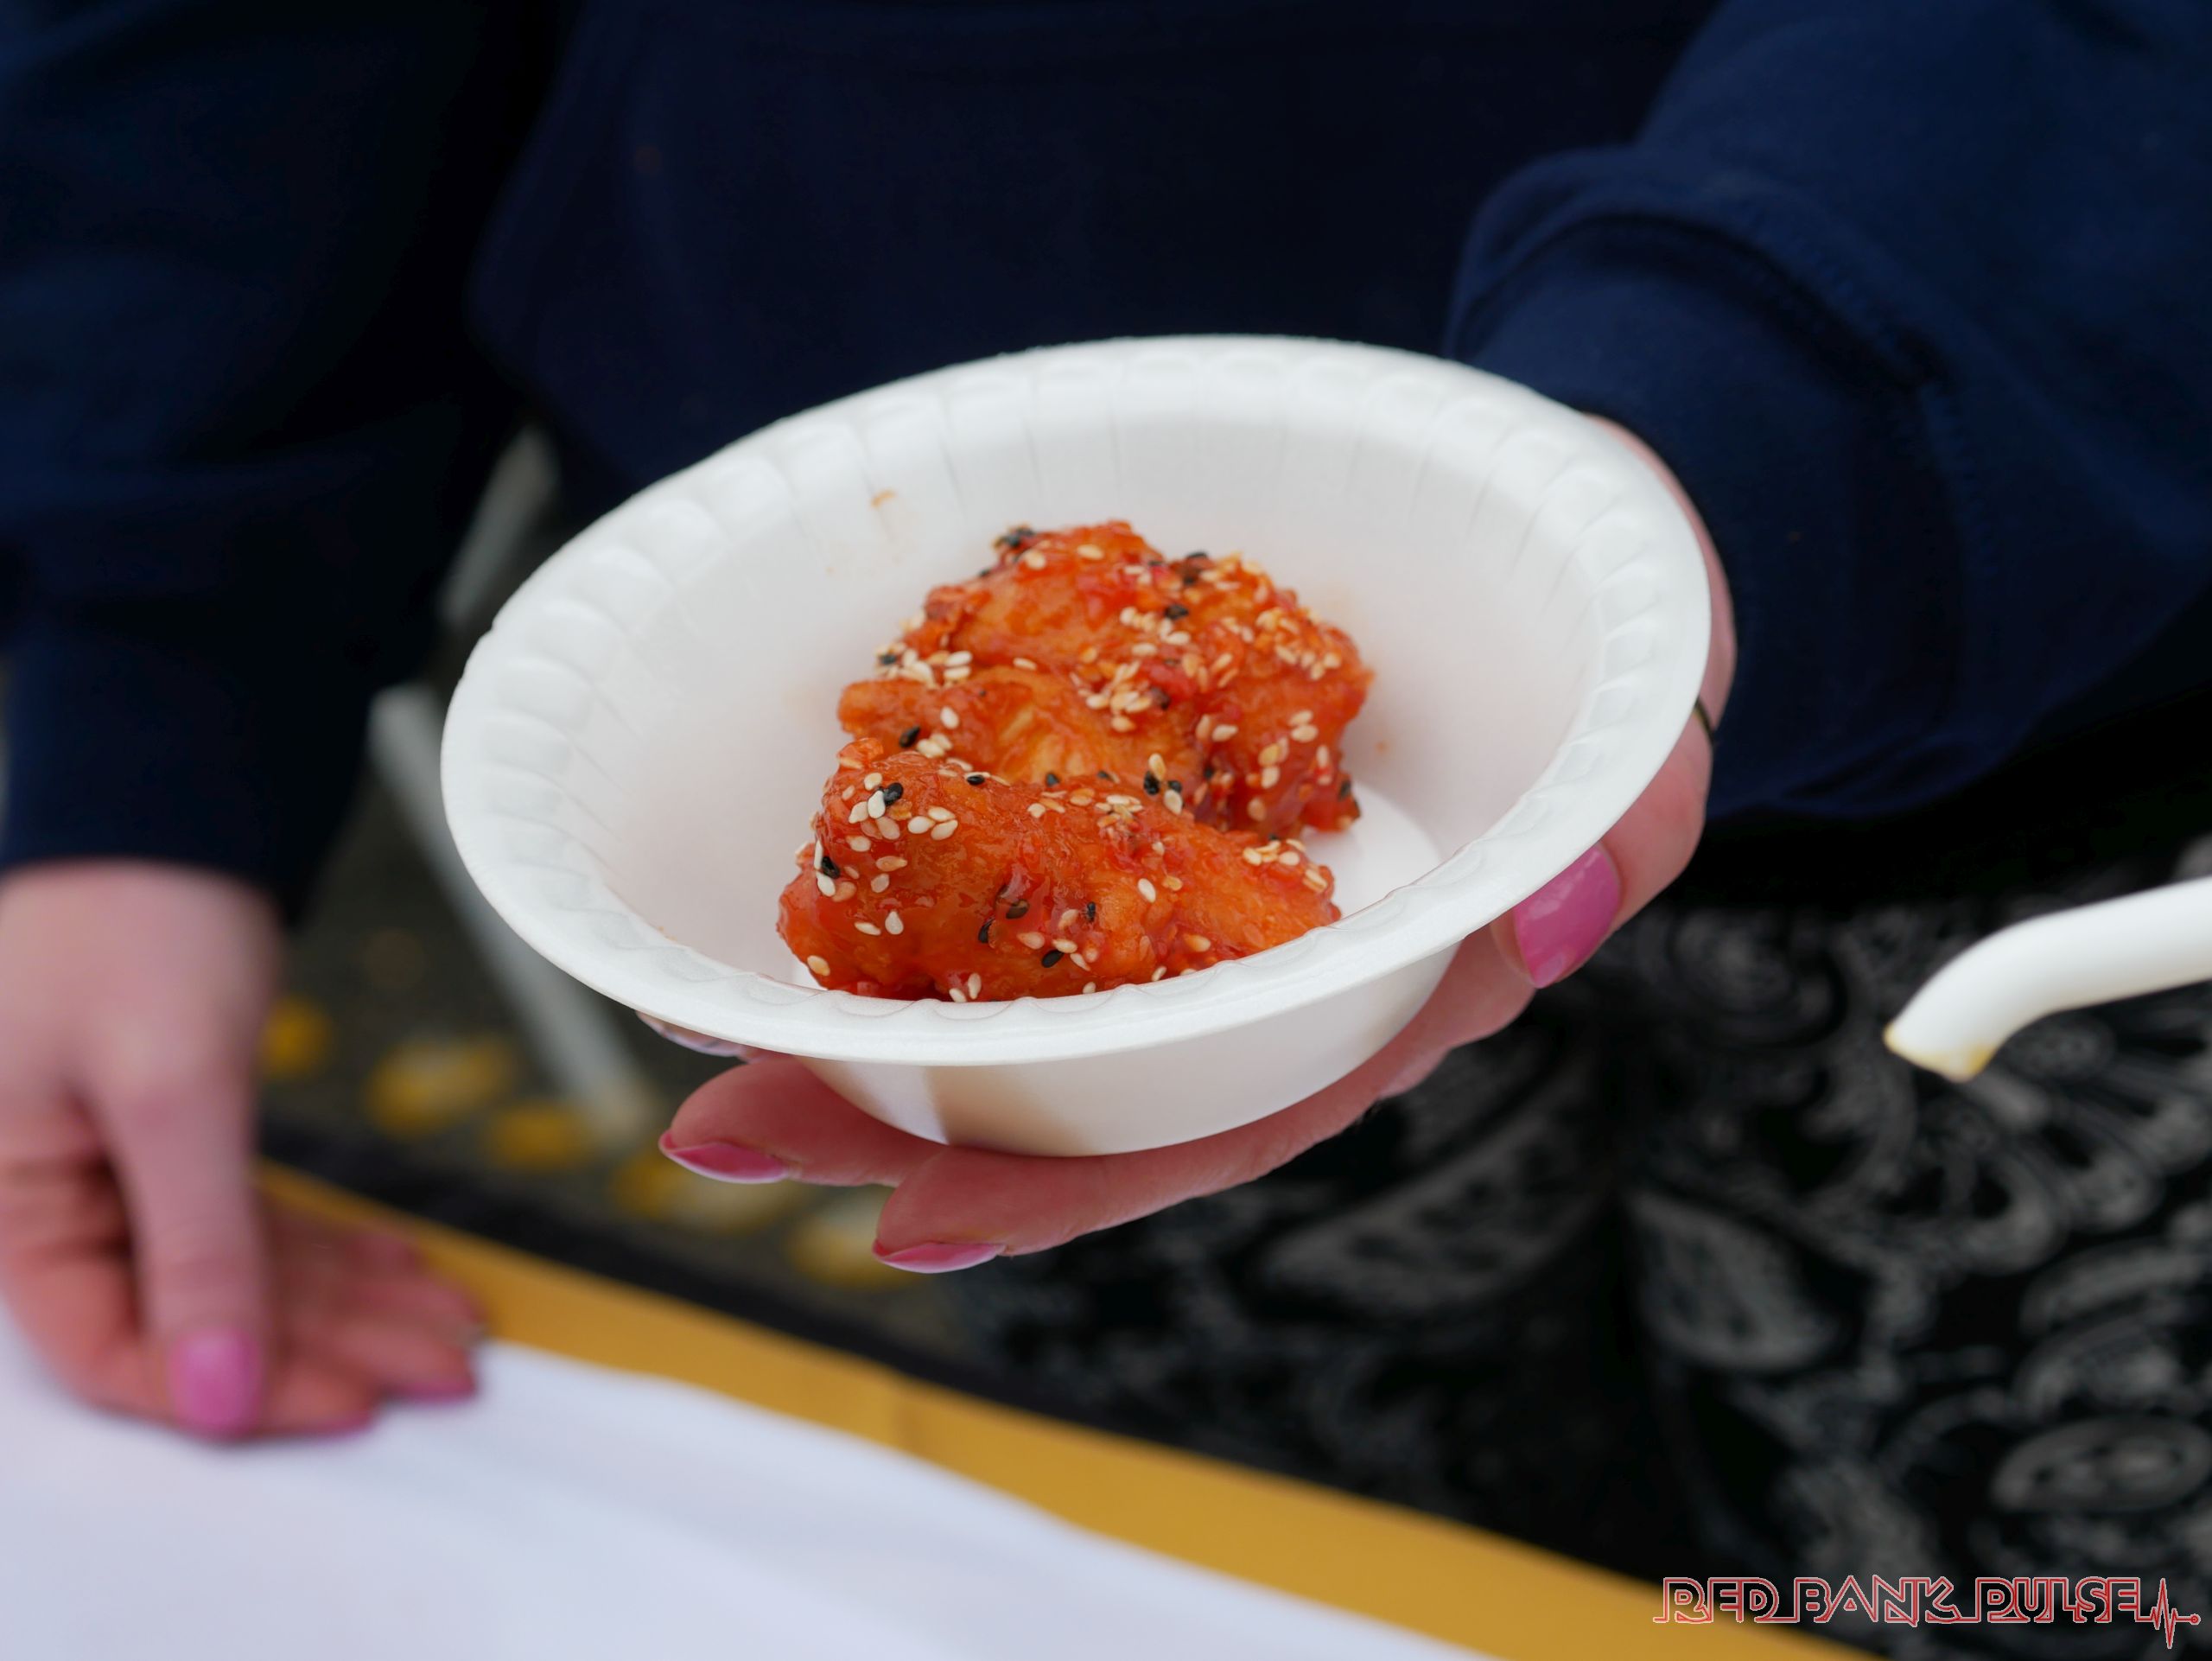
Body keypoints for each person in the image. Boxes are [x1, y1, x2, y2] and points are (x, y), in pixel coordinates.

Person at [2, 1, 2208, 1648]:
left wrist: (1751, 417)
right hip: (1071, 1042)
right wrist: (144, 708)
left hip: (2024, 673)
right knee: (1267, 1576)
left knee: (2010, 1589)